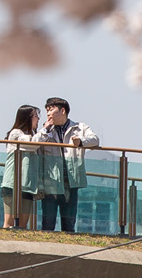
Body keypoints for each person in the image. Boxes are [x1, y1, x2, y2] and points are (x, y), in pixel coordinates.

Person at [33, 97, 99, 233]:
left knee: (69, 223)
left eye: (51, 110)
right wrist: (44, 130)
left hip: (70, 181)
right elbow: (34, 145)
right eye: (47, 111)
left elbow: (95, 140)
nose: (48, 114)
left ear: (63, 111)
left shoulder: (79, 128)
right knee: (48, 222)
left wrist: (80, 141)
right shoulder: (46, 131)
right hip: (50, 182)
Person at [0, 104, 40, 230]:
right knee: (9, 222)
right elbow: (32, 144)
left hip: (28, 184)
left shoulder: (33, 134)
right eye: (36, 116)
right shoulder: (16, 133)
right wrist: (45, 129)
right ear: (27, 117)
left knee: (23, 224)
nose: (38, 119)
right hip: (13, 183)